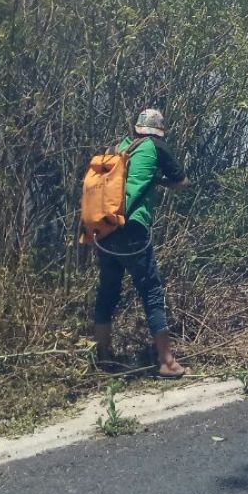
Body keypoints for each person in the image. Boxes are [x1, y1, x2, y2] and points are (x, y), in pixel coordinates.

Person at [93, 108, 190, 379]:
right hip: (133, 229)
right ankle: (167, 362)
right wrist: (158, 181)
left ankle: (103, 357)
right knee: (151, 291)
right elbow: (182, 181)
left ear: (136, 127)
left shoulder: (119, 147)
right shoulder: (156, 146)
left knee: (108, 291)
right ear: (158, 131)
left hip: (106, 228)